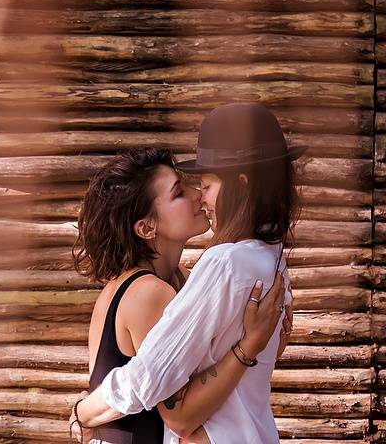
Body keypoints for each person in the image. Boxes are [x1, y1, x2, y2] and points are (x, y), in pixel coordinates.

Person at [71, 103, 305, 444]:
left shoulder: (187, 277)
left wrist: (258, 345)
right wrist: (252, 345)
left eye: (203, 185)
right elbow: (174, 405)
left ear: (240, 184)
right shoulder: (153, 291)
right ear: (147, 227)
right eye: (180, 192)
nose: (199, 196)